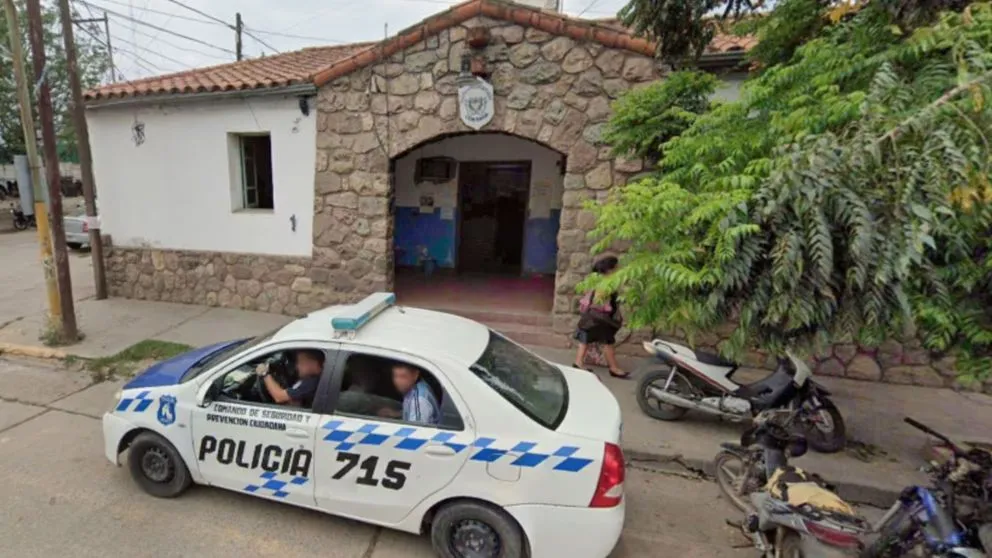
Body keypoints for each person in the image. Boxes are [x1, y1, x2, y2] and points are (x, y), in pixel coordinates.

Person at [573, 256, 630, 379]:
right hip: (600, 317)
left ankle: (578, 362)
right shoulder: (607, 282)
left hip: (590, 315)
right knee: (607, 342)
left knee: (585, 339)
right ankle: (614, 368)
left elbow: (586, 294)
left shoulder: (594, 279)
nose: (618, 269)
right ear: (609, 269)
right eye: (616, 267)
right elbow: (599, 299)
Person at [255, 349, 324, 407]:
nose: (297, 366)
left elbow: (279, 397)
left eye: (301, 362)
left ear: (312, 363)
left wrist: (265, 374)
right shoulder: (311, 378)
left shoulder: (312, 383)